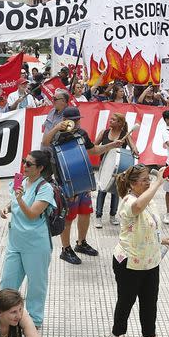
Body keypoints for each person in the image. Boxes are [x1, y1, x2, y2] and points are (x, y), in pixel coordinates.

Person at [42, 106, 124, 265]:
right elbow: (45, 142)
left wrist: (111, 145)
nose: (76, 123)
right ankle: (66, 249)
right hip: (65, 180)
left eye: (77, 120)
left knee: (85, 212)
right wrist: (56, 127)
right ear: (64, 120)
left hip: (82, 178)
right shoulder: (57, 134)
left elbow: (93, 150)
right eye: (72, 120)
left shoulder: (81, 133)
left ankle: (81, 243)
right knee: (68, 216)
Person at [108, 164, 169, 337]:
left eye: (149, 180)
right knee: (126, 300)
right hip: (129, 261)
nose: (148, 183)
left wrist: (161, 240)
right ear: (132, 184)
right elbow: (137, 208)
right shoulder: (128, 200)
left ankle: (149, 333)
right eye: (144, 180)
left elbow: (151, 223)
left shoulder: (149, 200)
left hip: (150, 261)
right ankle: (117, 334)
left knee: (150, 300)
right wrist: (158, 183)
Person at [0, 150, 55, 327]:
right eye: (24, 161)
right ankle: (5, 316)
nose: (25, 166)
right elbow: (14, 201)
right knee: (7, 282)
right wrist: (7, 207)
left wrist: (19, 198)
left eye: (29, 164)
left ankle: (34, 320)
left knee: (36, 286)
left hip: (36, 245)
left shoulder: (45, 188)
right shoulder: (20, 180)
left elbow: (32, 213)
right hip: (15, 242)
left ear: (40, 168)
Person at [94, 113, 138, 228]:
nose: (110, 121)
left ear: (120, 123)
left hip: (119, 166)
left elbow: (133, 146)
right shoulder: (104, 132)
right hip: (104, 166)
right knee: (102, 190)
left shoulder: (125, 135)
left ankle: (112, 216)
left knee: (116, 191)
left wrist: (135, 150)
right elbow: (94, 146)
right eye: (111, 119)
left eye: (113, 120)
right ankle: (98, 216)